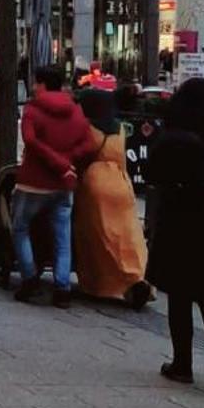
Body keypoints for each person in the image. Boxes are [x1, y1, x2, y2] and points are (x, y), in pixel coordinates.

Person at [146, 76, 204, 396]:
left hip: (178, 225)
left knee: (179, 296)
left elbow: (153, 175)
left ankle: (183, 363)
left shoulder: (174, 139)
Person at [12, 64, 95, 308]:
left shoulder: (33, 110)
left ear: (42, 84)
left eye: (36, 82)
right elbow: (89, 144)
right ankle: (62, 287)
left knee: (20, 227)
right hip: (64, 183)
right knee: (62, 235)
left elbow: (30, 141)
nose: (34, 87)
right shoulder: (76, 110)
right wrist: (68, 161)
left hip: (34, 181)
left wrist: (57, 162)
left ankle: (29, 279)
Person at [73, 87, 151, 307]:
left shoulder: (88, 129)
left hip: (95, 184)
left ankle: (107, 284)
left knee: (102, 238)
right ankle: (138, 276)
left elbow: (80, 157)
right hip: (120, 182)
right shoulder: (120, 130)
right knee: (129, 234)